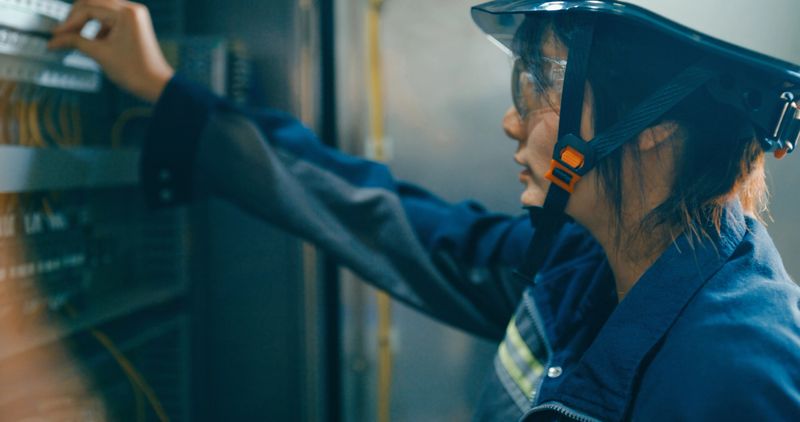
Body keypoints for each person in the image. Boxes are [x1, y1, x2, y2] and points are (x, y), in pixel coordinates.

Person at [48, 0, 800, 420]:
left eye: (540, 81)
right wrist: (168, 91)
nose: (513, 120)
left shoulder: (736, 379)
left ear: (656, 122)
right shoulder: (586, 264)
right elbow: (385, 218)